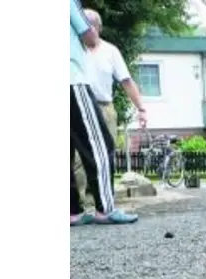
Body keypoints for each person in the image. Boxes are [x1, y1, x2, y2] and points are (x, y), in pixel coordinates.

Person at [72, 8, 148, 209]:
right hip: (78, 106)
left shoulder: (110, 51)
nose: (86, 30)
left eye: (90, 25)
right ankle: (81, 202)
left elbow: (126, 81)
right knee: (78, 158)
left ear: (99, 28)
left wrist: (141, 109)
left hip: (104, 107)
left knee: (105, 154)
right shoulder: (74, 49)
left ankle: (101, 201)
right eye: (83, 25)